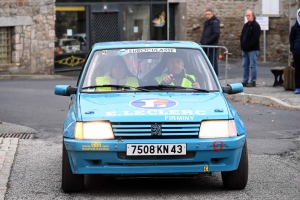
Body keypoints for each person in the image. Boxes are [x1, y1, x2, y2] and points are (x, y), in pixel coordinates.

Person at [240, 9, 261, 87]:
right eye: (246, 16)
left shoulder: (256, 26)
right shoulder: (246, 25)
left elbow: (255, 39)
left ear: (253, 16)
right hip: (245, 49)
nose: (247, 17)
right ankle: (245, 80)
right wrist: (242, 45)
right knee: (245, 65)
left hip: (252, 49)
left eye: (249, 16)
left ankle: (253, 81)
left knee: (253, 65)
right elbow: (242, 36)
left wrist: (248, 46)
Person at [200, 9, 220, 76]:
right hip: (205, 46)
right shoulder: (207, 22)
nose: (207, 16)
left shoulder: (215, 22)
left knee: (213, 62)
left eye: (209, 14)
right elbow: (205, 33)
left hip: (211, 46)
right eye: (206, 14)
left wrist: (207, 42)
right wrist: (202, 41)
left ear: (212, 14)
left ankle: (215, 77)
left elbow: (216, 34)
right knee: (206, 62)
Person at [289, 9, 300, 94]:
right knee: (298, 70)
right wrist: (293, 49)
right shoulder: (294, 28)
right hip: (297, 51)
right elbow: (291, 39)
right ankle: (297, 86)